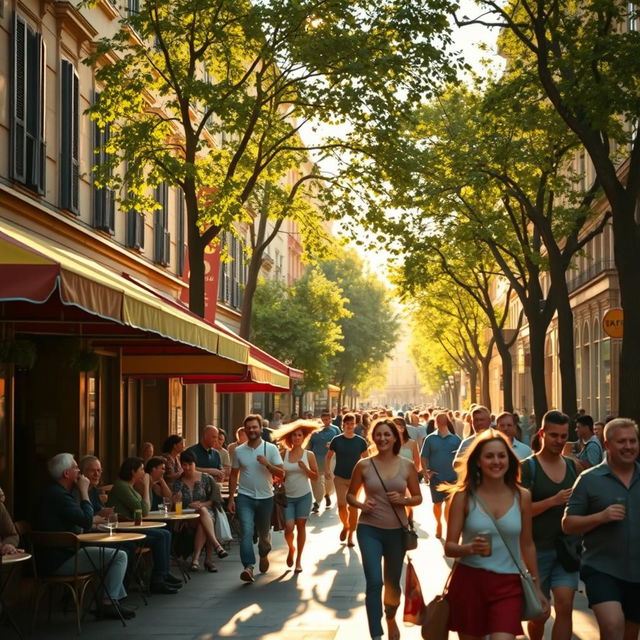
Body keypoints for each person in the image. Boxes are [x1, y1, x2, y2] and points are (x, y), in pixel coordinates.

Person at [441, 430, 548, 639]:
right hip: (469, 583)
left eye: (501, 456)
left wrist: (537, 587)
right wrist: (469, 548)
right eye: (489, 456)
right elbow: (449, 546)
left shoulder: (522, 496)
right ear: (478, 462)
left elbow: (527, 545)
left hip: (509, 585)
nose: (496, 461)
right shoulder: (463, 497)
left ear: (509, 460)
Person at [563, 418, 640, 640]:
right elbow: (568, 524)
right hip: (602, 569)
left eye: (632, 441)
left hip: (637, 571)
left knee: (629, 633)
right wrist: (601, 516)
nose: (628, 446)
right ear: (607, 445)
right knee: (613, 626)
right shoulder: (589, 479)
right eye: (621, 441)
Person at [347, 418, 422, 640]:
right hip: (369, 528)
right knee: (374, 581)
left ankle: (390, 617)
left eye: (387, 434)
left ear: (395, 438)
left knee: (392, 585)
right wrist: (361, 504)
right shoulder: (364, 465)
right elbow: (350, 495)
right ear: (373, 437)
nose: (382, 438)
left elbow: (418, 497)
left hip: (397, 532)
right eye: (378, 435)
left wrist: (403, 500)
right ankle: (376, 634)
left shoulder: (406, 466)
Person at [37, 453, 133, 619]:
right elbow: (86, 520)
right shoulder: (59, 495)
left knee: (113, 552)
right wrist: (83, 491)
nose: (79, 472)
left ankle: (112, 600)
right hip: (59, 560)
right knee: (120, 556)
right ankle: (108, 604)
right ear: (67, 474)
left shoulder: (53, 492)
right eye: (76, 468)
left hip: (57, 555)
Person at [520, 410, 580, 640]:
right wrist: (553, 501)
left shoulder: (573, 467)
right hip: (536, 551)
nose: (559, 441)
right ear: (542, 433)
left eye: (564, 436)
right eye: (554, 435)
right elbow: (520, 512)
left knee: (565, 606)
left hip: (566, 549)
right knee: (540, 614)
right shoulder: (528, 468)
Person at [107, 457, 182, 594]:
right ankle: (158, 579)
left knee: (165, 533)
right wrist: (147, 486)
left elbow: (143, 507)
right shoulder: (122, 487)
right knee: (161, 535)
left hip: (132, 527)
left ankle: (162, 574)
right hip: (123, 530)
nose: (144, 472)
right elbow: (145, 510)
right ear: (132, 472)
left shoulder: (129, 487)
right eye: (141, 469)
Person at [227, 414, 284, 583]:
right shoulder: (238, 451)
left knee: (264, 536)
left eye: (255, 427)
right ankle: (248, 567)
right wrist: (231, 498)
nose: (252, 430)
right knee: (246, 532)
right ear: (245, 430)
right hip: (245, 497)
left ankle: (264, 553)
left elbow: (282, 473)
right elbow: (233, 476)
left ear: (260, 429)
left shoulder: (271, 449)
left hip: (266, 498)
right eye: (249, 428)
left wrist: (267, 464)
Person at [272, 421, 319, 572]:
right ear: (290, 438)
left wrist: (305, 468)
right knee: (289, 528)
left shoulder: (309, 455)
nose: (297, 438)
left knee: (301, 526)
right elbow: (277, 474)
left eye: (299, 435)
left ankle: (298, 559)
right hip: (288, 497)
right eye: (294, 435)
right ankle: (291, 548)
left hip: (304, 496)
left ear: (303, 437)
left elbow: (316, 477)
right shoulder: (283, 454)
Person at [172, 449, 228, 572]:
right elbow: (175, 506)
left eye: (190, 464)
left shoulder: (206, 478)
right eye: (184, 465)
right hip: (187, 517)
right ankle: (213, 551)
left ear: (195, 464)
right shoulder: (178, 482)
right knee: (204, 519)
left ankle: (196, 560)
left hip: (207, 513)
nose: (187, 468)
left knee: (203, 516)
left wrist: (202, 504)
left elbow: (215, 500)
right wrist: (178, 501)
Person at [326, 412, 369, 547]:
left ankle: (351, 534)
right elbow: (328, 456)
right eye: (347, 424)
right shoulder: (337, 440)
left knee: (354, 506)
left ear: (355, 425)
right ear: (343, 425)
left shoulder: (360, 441)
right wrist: (327, 470)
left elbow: (367, 459)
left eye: (352, 424)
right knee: (342, 505)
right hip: (339, 477)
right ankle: (345, 525)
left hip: (356, 478)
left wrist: (368, 475)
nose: (349, 426)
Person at [421, 412, 461, 538]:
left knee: (449, 505)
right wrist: (427, 472)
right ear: (436, 422)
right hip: (436, 477)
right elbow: (424, 457)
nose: (440, 422)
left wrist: (460, 475)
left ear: (447, 421)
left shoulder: (456, 439)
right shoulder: (430, 439)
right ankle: (438, 523)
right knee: (437, 504)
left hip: (452, 478)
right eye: (438, 420)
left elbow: (461, 458)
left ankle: (448, 526)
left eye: (442, 420)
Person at [307, 412, 340, 512]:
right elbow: (310, 444)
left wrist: (334, 446)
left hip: (330, 458)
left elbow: (340, 442)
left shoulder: (335, 429)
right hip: (316, 458)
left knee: (329, 480)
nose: (325, 421)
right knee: (316, 481)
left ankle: (327, 494)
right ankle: (317, 502)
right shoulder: (315, 430)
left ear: (331, 419)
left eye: (327, 419)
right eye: (323, 419)